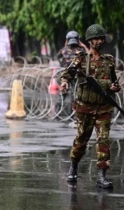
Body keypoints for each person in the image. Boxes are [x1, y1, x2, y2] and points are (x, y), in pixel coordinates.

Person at [60, 24, 121, 189]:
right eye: (96, 39)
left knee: (103, 141)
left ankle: (102, 176)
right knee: (81, 140)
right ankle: (73, 168)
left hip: (103, 108)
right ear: (90, 40)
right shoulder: (81, 58)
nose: (100, 41)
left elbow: (114, 81)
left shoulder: (108, 60)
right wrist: (64, 83)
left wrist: (115, 87)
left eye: (101, 38)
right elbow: (68, 73)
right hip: (84, 108)